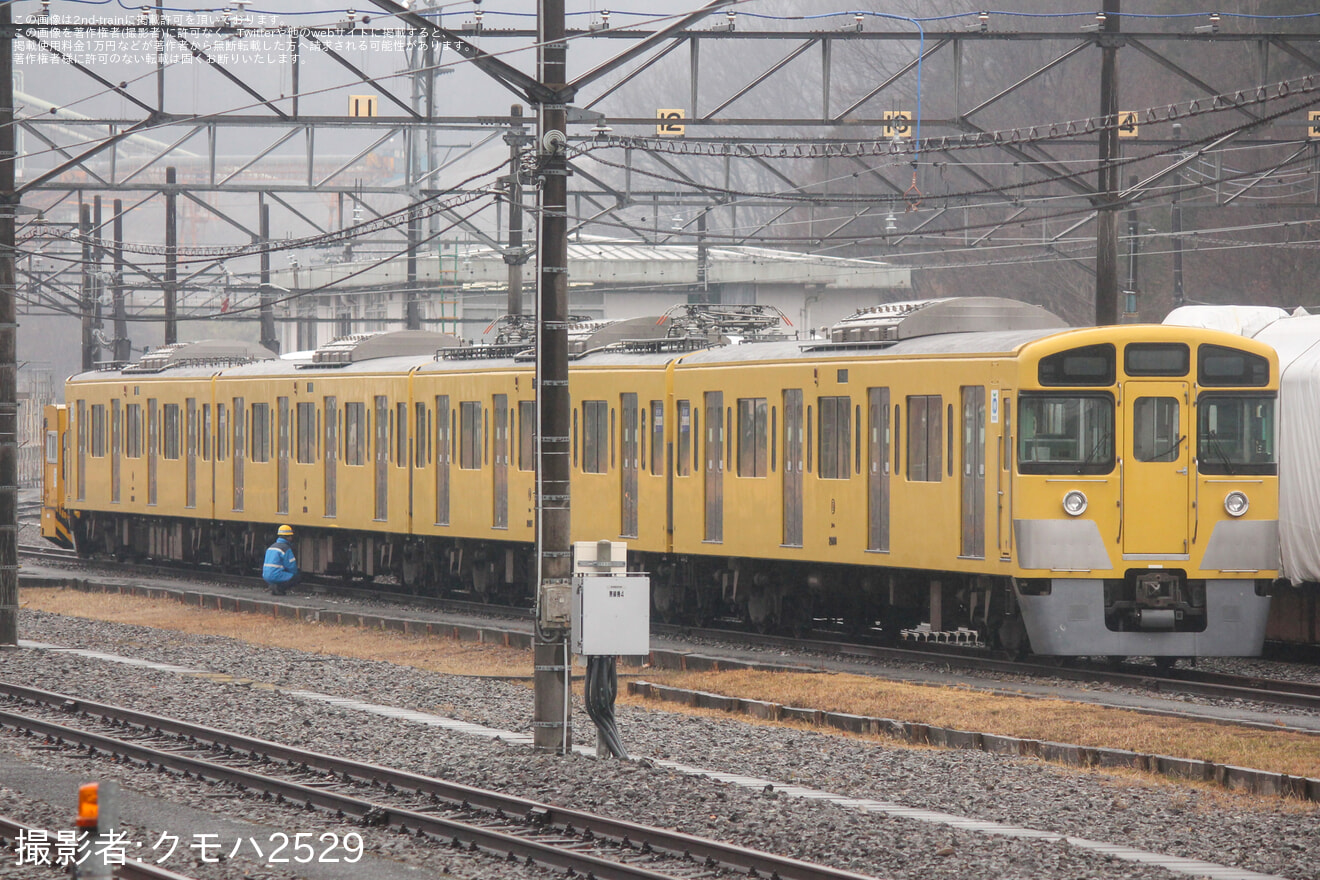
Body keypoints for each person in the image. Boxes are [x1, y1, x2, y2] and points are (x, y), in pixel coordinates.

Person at [262, 524, 300, 595]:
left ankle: (274, 587)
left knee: (280, 572)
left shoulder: (271, 547)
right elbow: (291, 566)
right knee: (296, 577)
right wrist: (295, 575)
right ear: (288, 537)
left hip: (265, 576)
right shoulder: (286, 548)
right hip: (275, 576)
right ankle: (279, 589)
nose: (292, 538)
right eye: (291, 536)